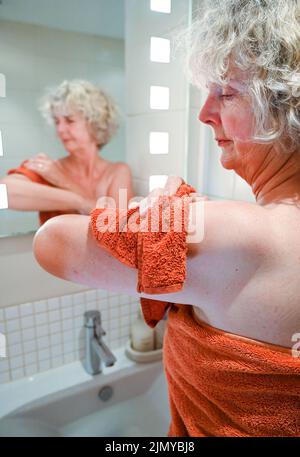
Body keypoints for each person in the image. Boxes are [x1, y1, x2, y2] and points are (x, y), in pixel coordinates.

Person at [32, 0, 300, 437]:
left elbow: (52, 242)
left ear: (286, 105)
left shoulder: (239, 235)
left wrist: (164, 215)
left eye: (226, 92)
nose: (204, 113)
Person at [1, 79, 133, 225]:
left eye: (69, 121)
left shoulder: (116, 172)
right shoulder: (47, 169)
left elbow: (120, 227)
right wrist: (78, 202)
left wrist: (62, 181)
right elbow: (5, 193)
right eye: (57, 122)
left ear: (95, 123)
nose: (60, 130)